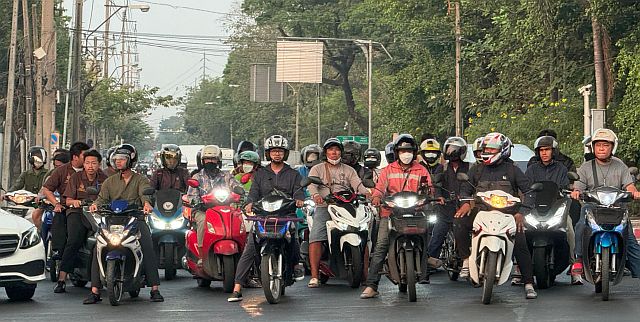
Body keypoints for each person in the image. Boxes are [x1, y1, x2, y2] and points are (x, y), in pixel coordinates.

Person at [455, 132, 538, 299]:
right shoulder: (477, 170)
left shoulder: (513, 170)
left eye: (492, 149)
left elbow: (529, 191)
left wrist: (522, 212)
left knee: (521, 242)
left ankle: (528, 283)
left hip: (508, 214)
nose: (488, 152)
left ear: (503, 150)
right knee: (459, 223)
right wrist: (465, 202)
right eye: (486, 149)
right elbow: (465, 188)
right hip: (481, 211)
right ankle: (465, 260)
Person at [228, 135, 305, 302]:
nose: (276, 154)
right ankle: (237, 287)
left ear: (285, 154)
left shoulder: (294, 174)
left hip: (286, 215)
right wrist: (249, 204)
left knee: (294, 237)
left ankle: (296, 265)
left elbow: (299, 191)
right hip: (263, 216)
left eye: (280, 151)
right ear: (268, 153)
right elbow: (254, 193)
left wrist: (299, 199)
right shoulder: (261, 174)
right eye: (273, 151)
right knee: (250, 247)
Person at [84, 144, 164, 304]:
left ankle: (155, 288)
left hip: (135, 219)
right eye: (116, 160)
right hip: (112, 219)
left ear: (130, 161)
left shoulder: (141, 179)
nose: (118, 162)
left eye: (122, 159)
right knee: (97, 246)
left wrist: (147, 205)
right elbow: (101, 198)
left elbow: (145, 194)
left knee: (147, 244)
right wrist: (95, 205)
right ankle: (95, 290)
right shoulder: (109, 181)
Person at [360, 134, 431, 298]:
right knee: (381, 246)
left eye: (409, 150)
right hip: (390, 213)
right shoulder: (388, 170)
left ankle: (425, 270)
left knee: (426, 237)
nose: (406, 153)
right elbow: (379, 189)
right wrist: (377, 197)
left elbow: (429, 189)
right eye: (403, 150)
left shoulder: (421, 169)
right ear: (397, 152)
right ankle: (372, 285)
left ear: (414, 152)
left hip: (415, 212)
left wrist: (430, 196)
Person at [570, 128, 640, 280]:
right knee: (581, 225)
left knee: (631, 241)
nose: (601, 148)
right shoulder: (586, 167)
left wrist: (634, 192)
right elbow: (578, 186)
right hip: (593, 208)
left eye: (605, 145)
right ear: (593, 147)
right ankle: (579, 260)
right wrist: (576, 192)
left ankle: (637, 270)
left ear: (612, 147)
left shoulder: (620, 166)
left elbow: (629, 186)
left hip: (617, 209)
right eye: (598, 145)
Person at [306, 138, 370, 288]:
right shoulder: (317, 169)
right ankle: (314, 276)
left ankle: (366, 276)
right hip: (325, 207)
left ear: (341, 152)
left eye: (337, 149)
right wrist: (316, 196)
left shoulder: (349, 170)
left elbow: (358, 184)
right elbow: (312, 185)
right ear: (325, 152)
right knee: (316, 236)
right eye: (330, 150)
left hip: (347, 206)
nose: (334, 153)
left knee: (363, 233)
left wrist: (367, 194)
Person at [524, 135, 581, 285]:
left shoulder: (562, 169)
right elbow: (525, 189)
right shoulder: (531, 170)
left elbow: (566, 187)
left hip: (556, 206)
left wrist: (571, 191)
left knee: (569, 227)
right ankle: (518, 266)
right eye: (541, 150)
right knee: (519, 229)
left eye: (547, 149)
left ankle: (574, 267)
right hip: (535, 207)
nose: (544, 153)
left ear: (553, 151)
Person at [54, 149, 108, 293]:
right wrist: (76, 202)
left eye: (94, 163)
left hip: (98, 214)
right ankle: (62, 278)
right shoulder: (76, 177)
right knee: (74, 240)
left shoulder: (105, 179)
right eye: (87, 163)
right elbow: (68, 199)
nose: (90, 166)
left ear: (99, 164)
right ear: (83, 164)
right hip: (77, 213)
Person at [423, 137, 470, 284]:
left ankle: (470, 261)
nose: (451, 153)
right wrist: (438, 197)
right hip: (445, 208)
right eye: (449, 149)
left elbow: (471, 185)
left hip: (463, 207)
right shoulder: (441, 168)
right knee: (438, 233)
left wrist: (467, 199)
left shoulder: (469, 167)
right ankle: (428, 265)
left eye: (454, 150)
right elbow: (436, 185)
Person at [186, 145, 241, 266]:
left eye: (213, 159)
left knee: (238, 220)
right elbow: (191, 196)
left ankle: (243, 253)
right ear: (202, 161)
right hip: (203, 210)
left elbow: (235, 185)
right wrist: (197, 201)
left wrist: (239, 189)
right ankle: (201, 255)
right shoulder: (197, 177)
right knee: (203, 221)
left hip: (224, 209)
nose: (210, 162)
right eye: (207, 159)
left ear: (218, 160)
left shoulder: (226, 176)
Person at [42, 141, 90, 271]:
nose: (89, 161)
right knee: (61, 224)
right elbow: (46, 189)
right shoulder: (61, 171)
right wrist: (56, 203)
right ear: (75, 157)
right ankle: (59, 253)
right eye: (85, 156)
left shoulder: (93, 171)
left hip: (88, 210)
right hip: (66, 208)